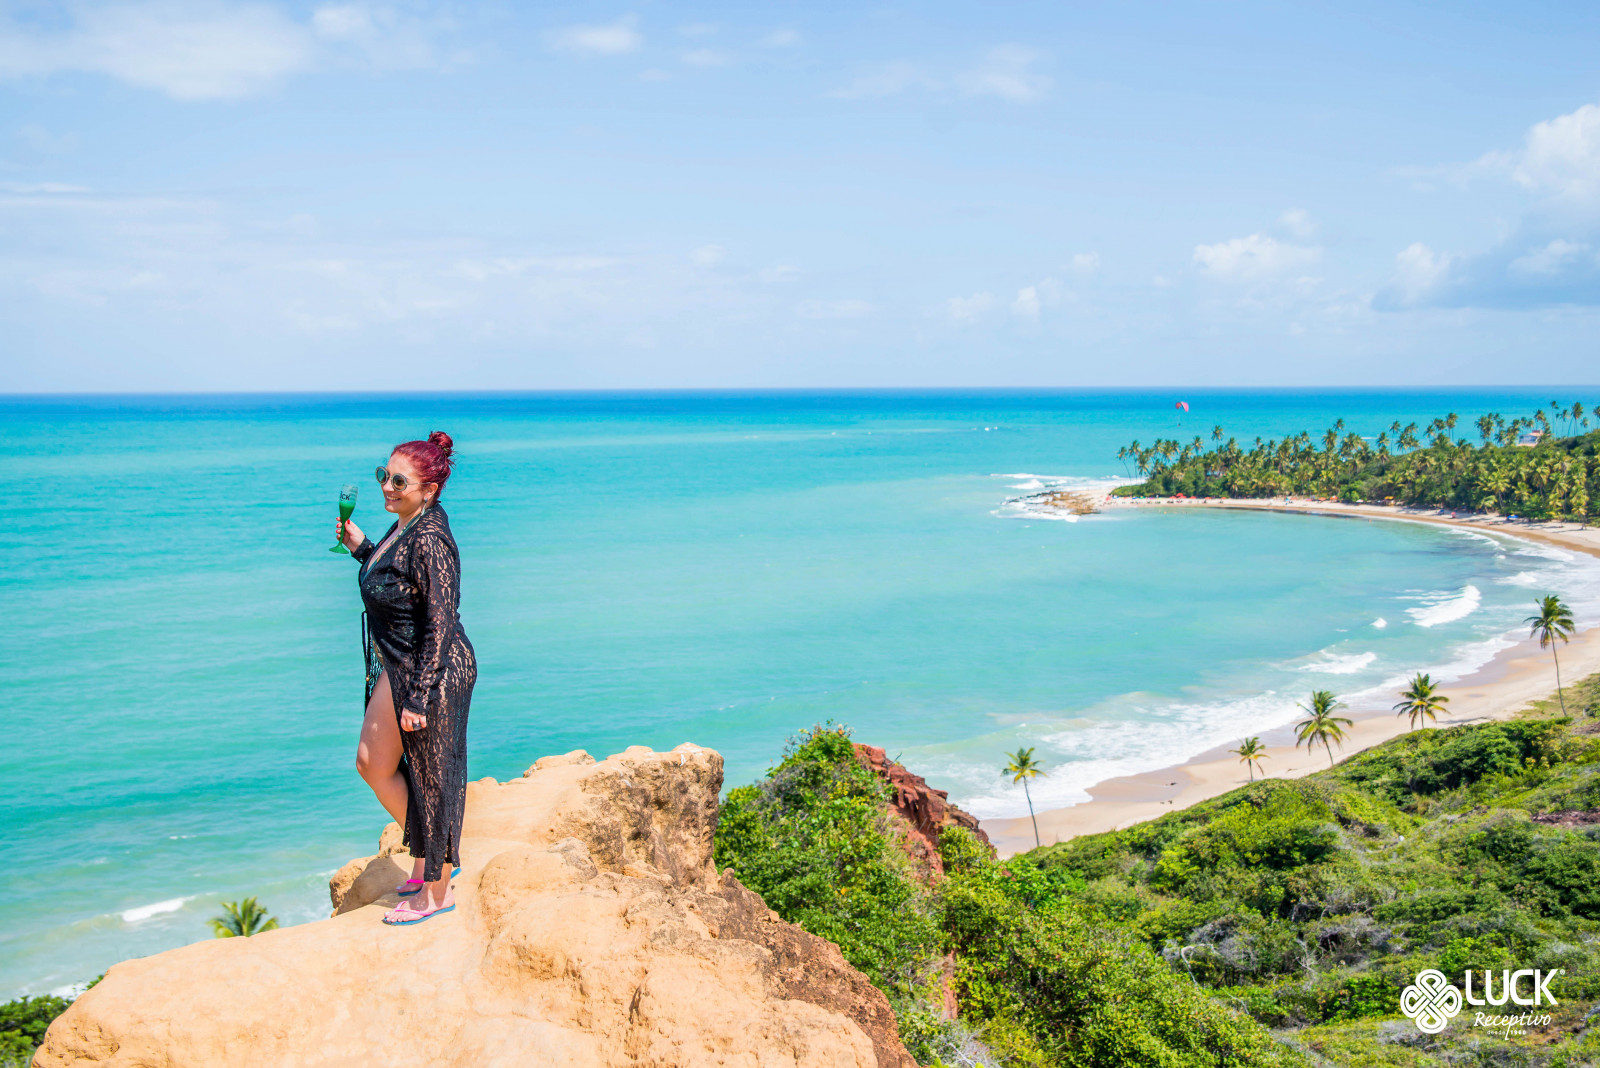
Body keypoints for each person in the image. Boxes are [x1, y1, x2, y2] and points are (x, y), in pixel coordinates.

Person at [338, 431, 477, 925]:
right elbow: (400, 584)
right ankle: (427, 856)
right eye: (384, 475)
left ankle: (437, 890)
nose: (386, 487)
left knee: (432, 776)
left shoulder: (432, 537)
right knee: (373, 763)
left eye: (399, 480)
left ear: (430, 489)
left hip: (432, 672)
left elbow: (441, 618)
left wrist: (418, 697)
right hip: (401, 664)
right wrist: (363, 550)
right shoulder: (405, 526)